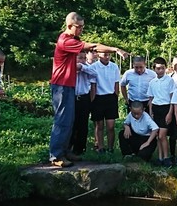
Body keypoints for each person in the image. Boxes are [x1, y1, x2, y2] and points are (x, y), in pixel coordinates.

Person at [49, 11, 127, 168]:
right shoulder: (65, 41)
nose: (81, 30)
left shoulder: (72, 39)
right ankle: (56, 155)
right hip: (61, 86)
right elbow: (94, 47)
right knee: (62, 120)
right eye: (79, 27)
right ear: (70, 25)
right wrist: (116, 49)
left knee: (70, 120)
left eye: (83, 27)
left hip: (68, 86)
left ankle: (65, 151)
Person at [90, 51, 122, 154]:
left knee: (111, 126)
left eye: (109, 55)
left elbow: (117, 83)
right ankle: (100, 147)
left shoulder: (114, 67)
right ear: (99, 55)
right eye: (104, 55)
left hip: (110, 98)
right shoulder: (94, 67)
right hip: (98, 97)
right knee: (99, 125)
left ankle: (110, 148)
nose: (107, 57)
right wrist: (93, 100)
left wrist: (115, 96)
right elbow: (93, 85)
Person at [147, 57, 176, 166]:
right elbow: (150, 98)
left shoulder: (169, 81)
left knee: (162, 135)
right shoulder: (152, 82)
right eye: (158, 68)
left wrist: (170, 113)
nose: (160, 71)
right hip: (156, 108)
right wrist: (150, 112)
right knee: (158, 134)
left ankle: (166, 157)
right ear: (154, 69)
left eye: (162, 68)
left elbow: (172, 97)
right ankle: (160, 158)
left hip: (166, 108)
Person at [69, 51, 97, 156]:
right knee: (72, 123)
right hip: (71, 97)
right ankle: (69, 147)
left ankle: (80, 148)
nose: (82, 60)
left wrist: (82, 67)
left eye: (84, 58)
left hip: (84, 98)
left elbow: (95, 74)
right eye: (79, 58)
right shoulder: (70, 68)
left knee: (83, 124)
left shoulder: (88, 68)